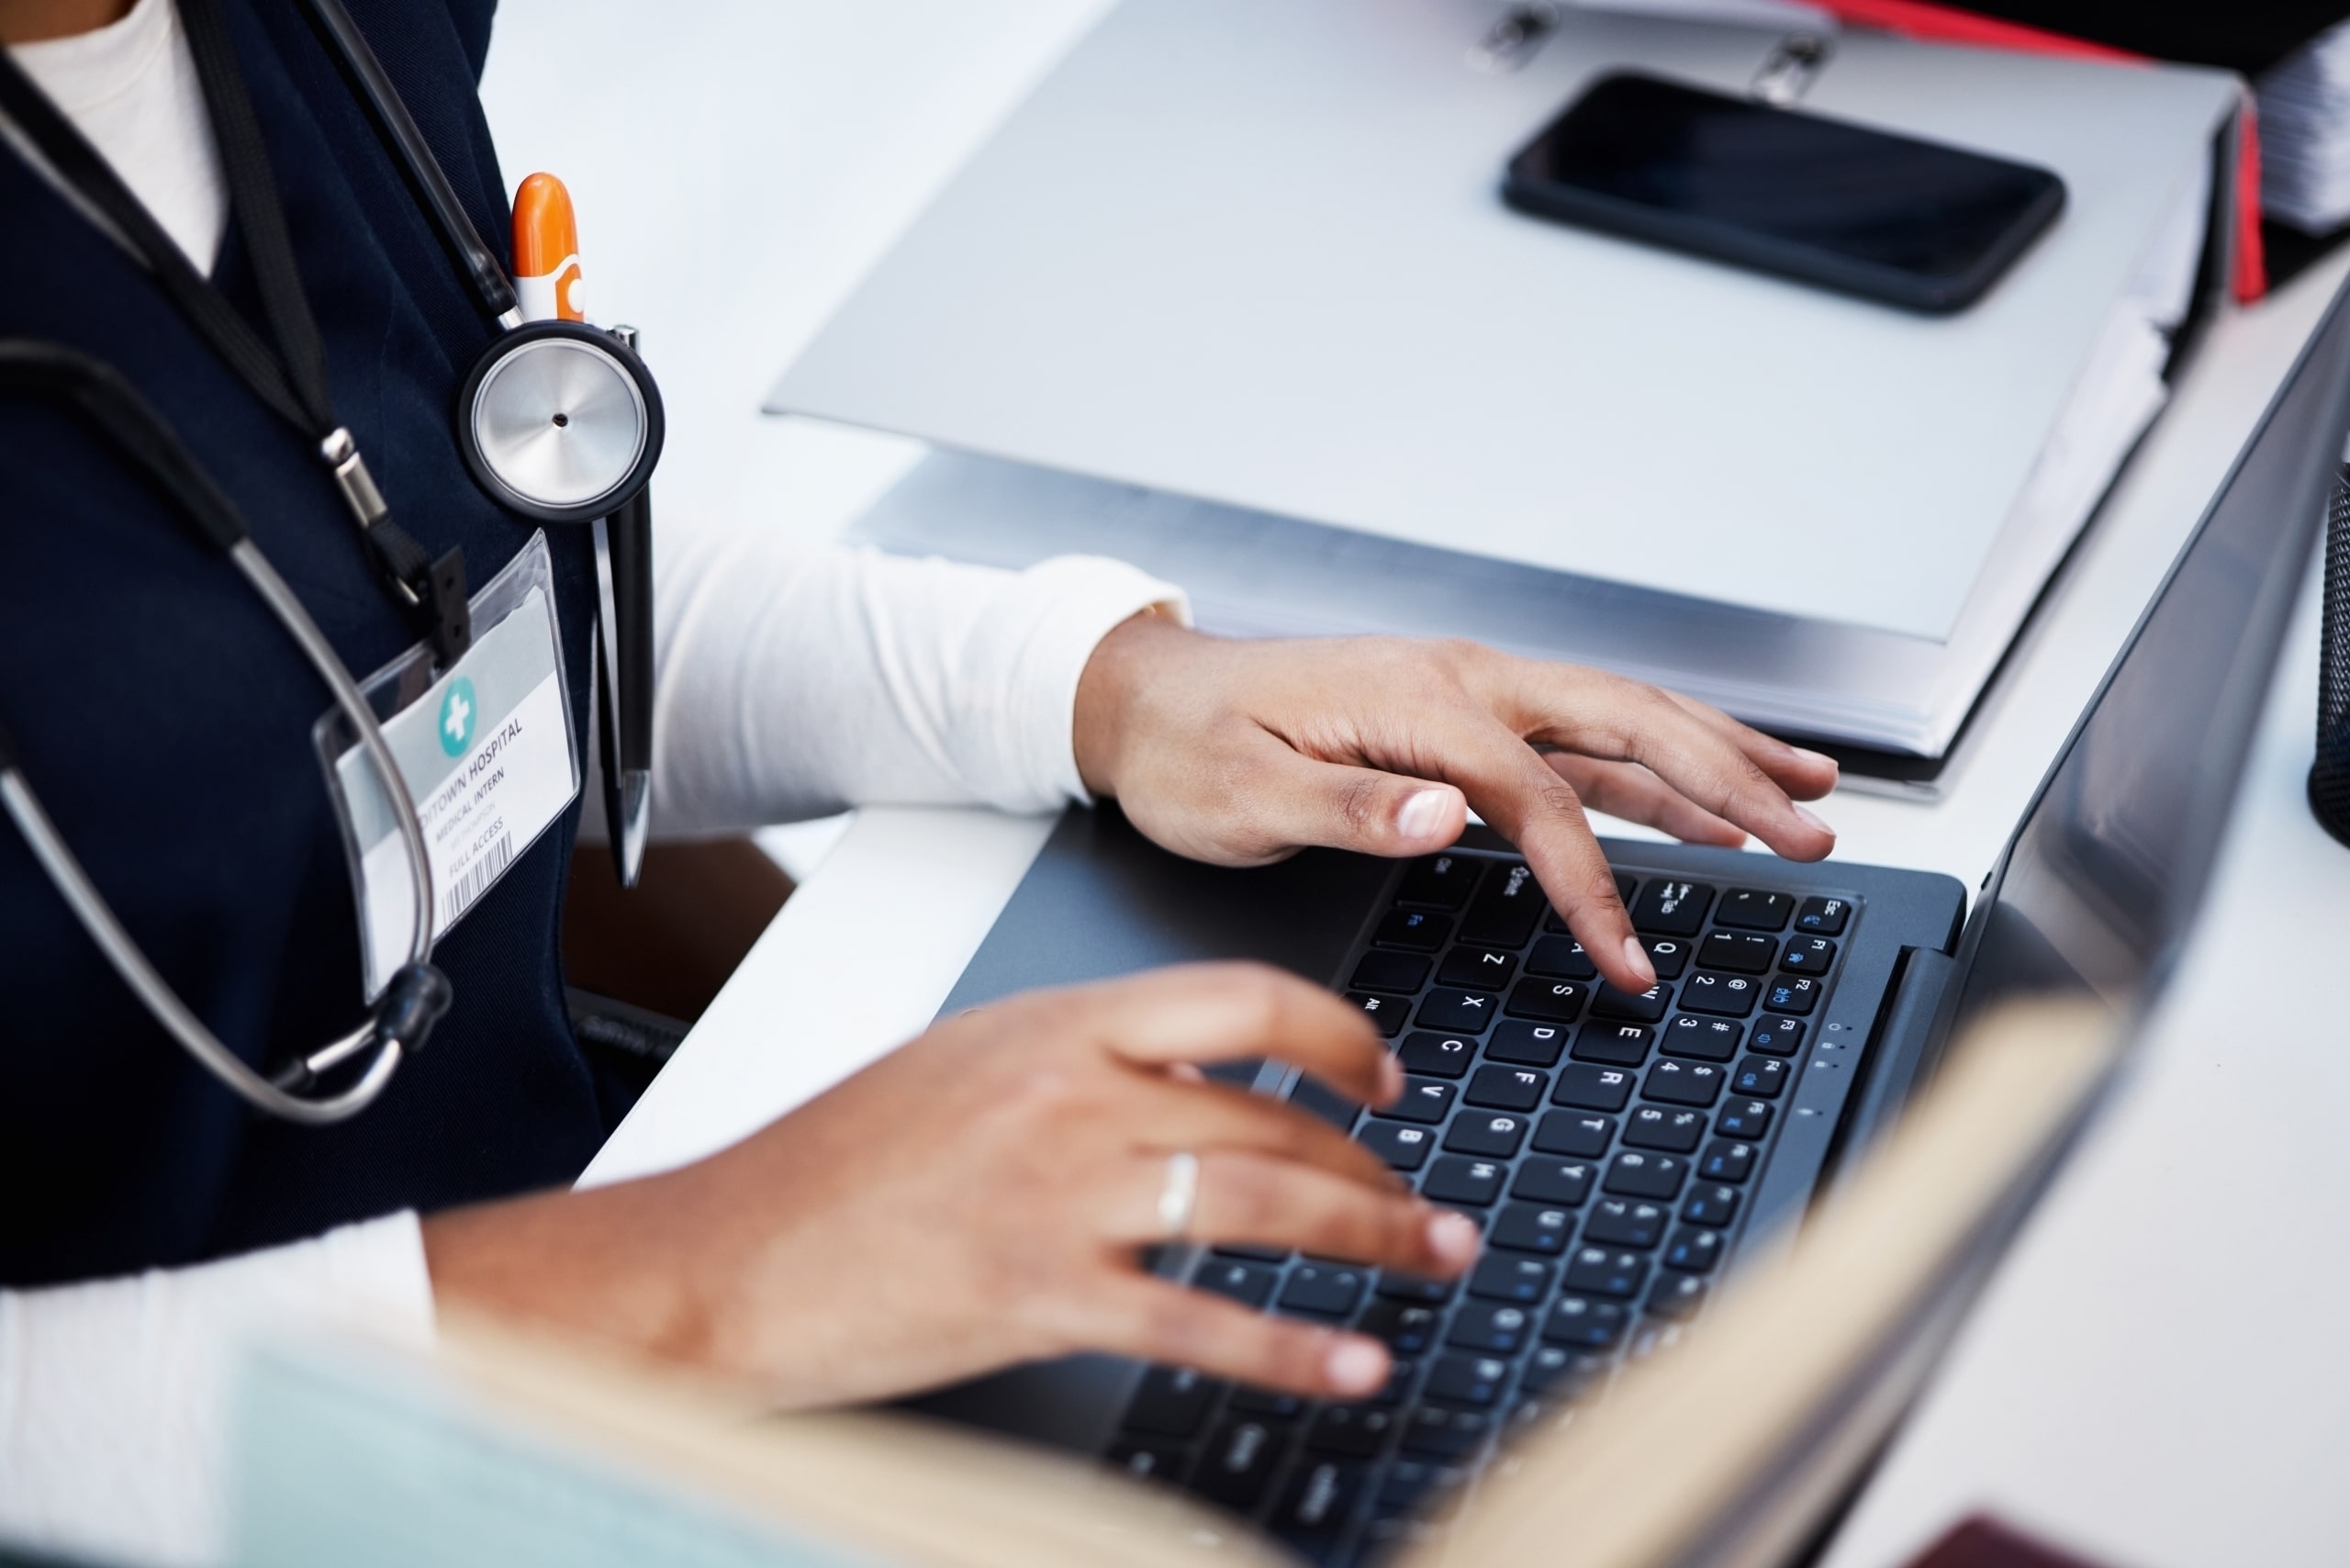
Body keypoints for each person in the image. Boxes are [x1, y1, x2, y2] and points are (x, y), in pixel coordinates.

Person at [0, 0, 1840, 1560]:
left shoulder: (309, 31)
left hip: (599, 1336)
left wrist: (1106, 686)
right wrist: (694, 1269)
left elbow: (430, 553)